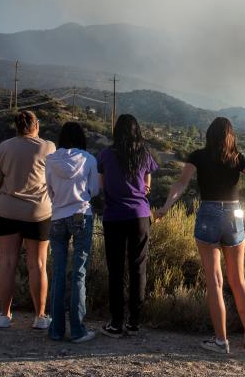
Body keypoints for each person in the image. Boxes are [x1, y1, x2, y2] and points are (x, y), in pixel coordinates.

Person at [156, 117, 245, 354]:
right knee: (238, 280)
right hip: (234, 215)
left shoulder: (197, 156)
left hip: (209, 215)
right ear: (230, 136)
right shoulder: (238, 158)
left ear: (208, 135)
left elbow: (181, 184)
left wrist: (165, 207)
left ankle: (221, 341)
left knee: (215, 282)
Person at [0, 110, 55, 330]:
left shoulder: (4, 147)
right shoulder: (48, 147)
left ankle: (4, 315)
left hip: (6, 210)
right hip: (39, 212)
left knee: (7, 262)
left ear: (16, 127)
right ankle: (40, 316)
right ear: (37, 125)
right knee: (38, 264)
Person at [98, 114, 159, 337]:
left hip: (113, 216)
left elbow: (102, 186)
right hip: (140, 217)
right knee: (138, 268)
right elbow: (146, 187)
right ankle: (135, 322)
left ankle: (116, 323)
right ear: (137, 131)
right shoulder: (144, 154)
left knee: (115, 271)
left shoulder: (105, 154)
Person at [45, 122, 99, 343]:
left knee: (57, 272)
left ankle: (56, 330)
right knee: (79, 272)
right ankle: (78, 330)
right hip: (81, 214)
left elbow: (49, 190)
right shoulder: (89, 159)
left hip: (57, 217)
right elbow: (95, 190)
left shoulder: (50, 160)